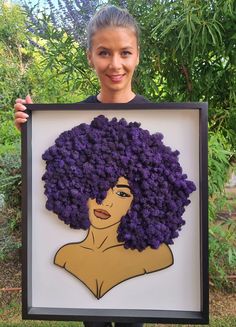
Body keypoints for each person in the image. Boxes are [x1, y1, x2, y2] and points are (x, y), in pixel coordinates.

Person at [14, 5, 195, 327]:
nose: (115, 64)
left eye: (125, 52)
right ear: (89, 56)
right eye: (103, 52)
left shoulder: (162, 121)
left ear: (138, 55)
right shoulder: (68, 123)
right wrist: (29, 133)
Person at [41, 115, 195, 299]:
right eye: (99, 186)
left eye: (122, 193)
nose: (106, 201)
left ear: (140, 202)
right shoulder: (66, 256)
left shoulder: (157, 256)